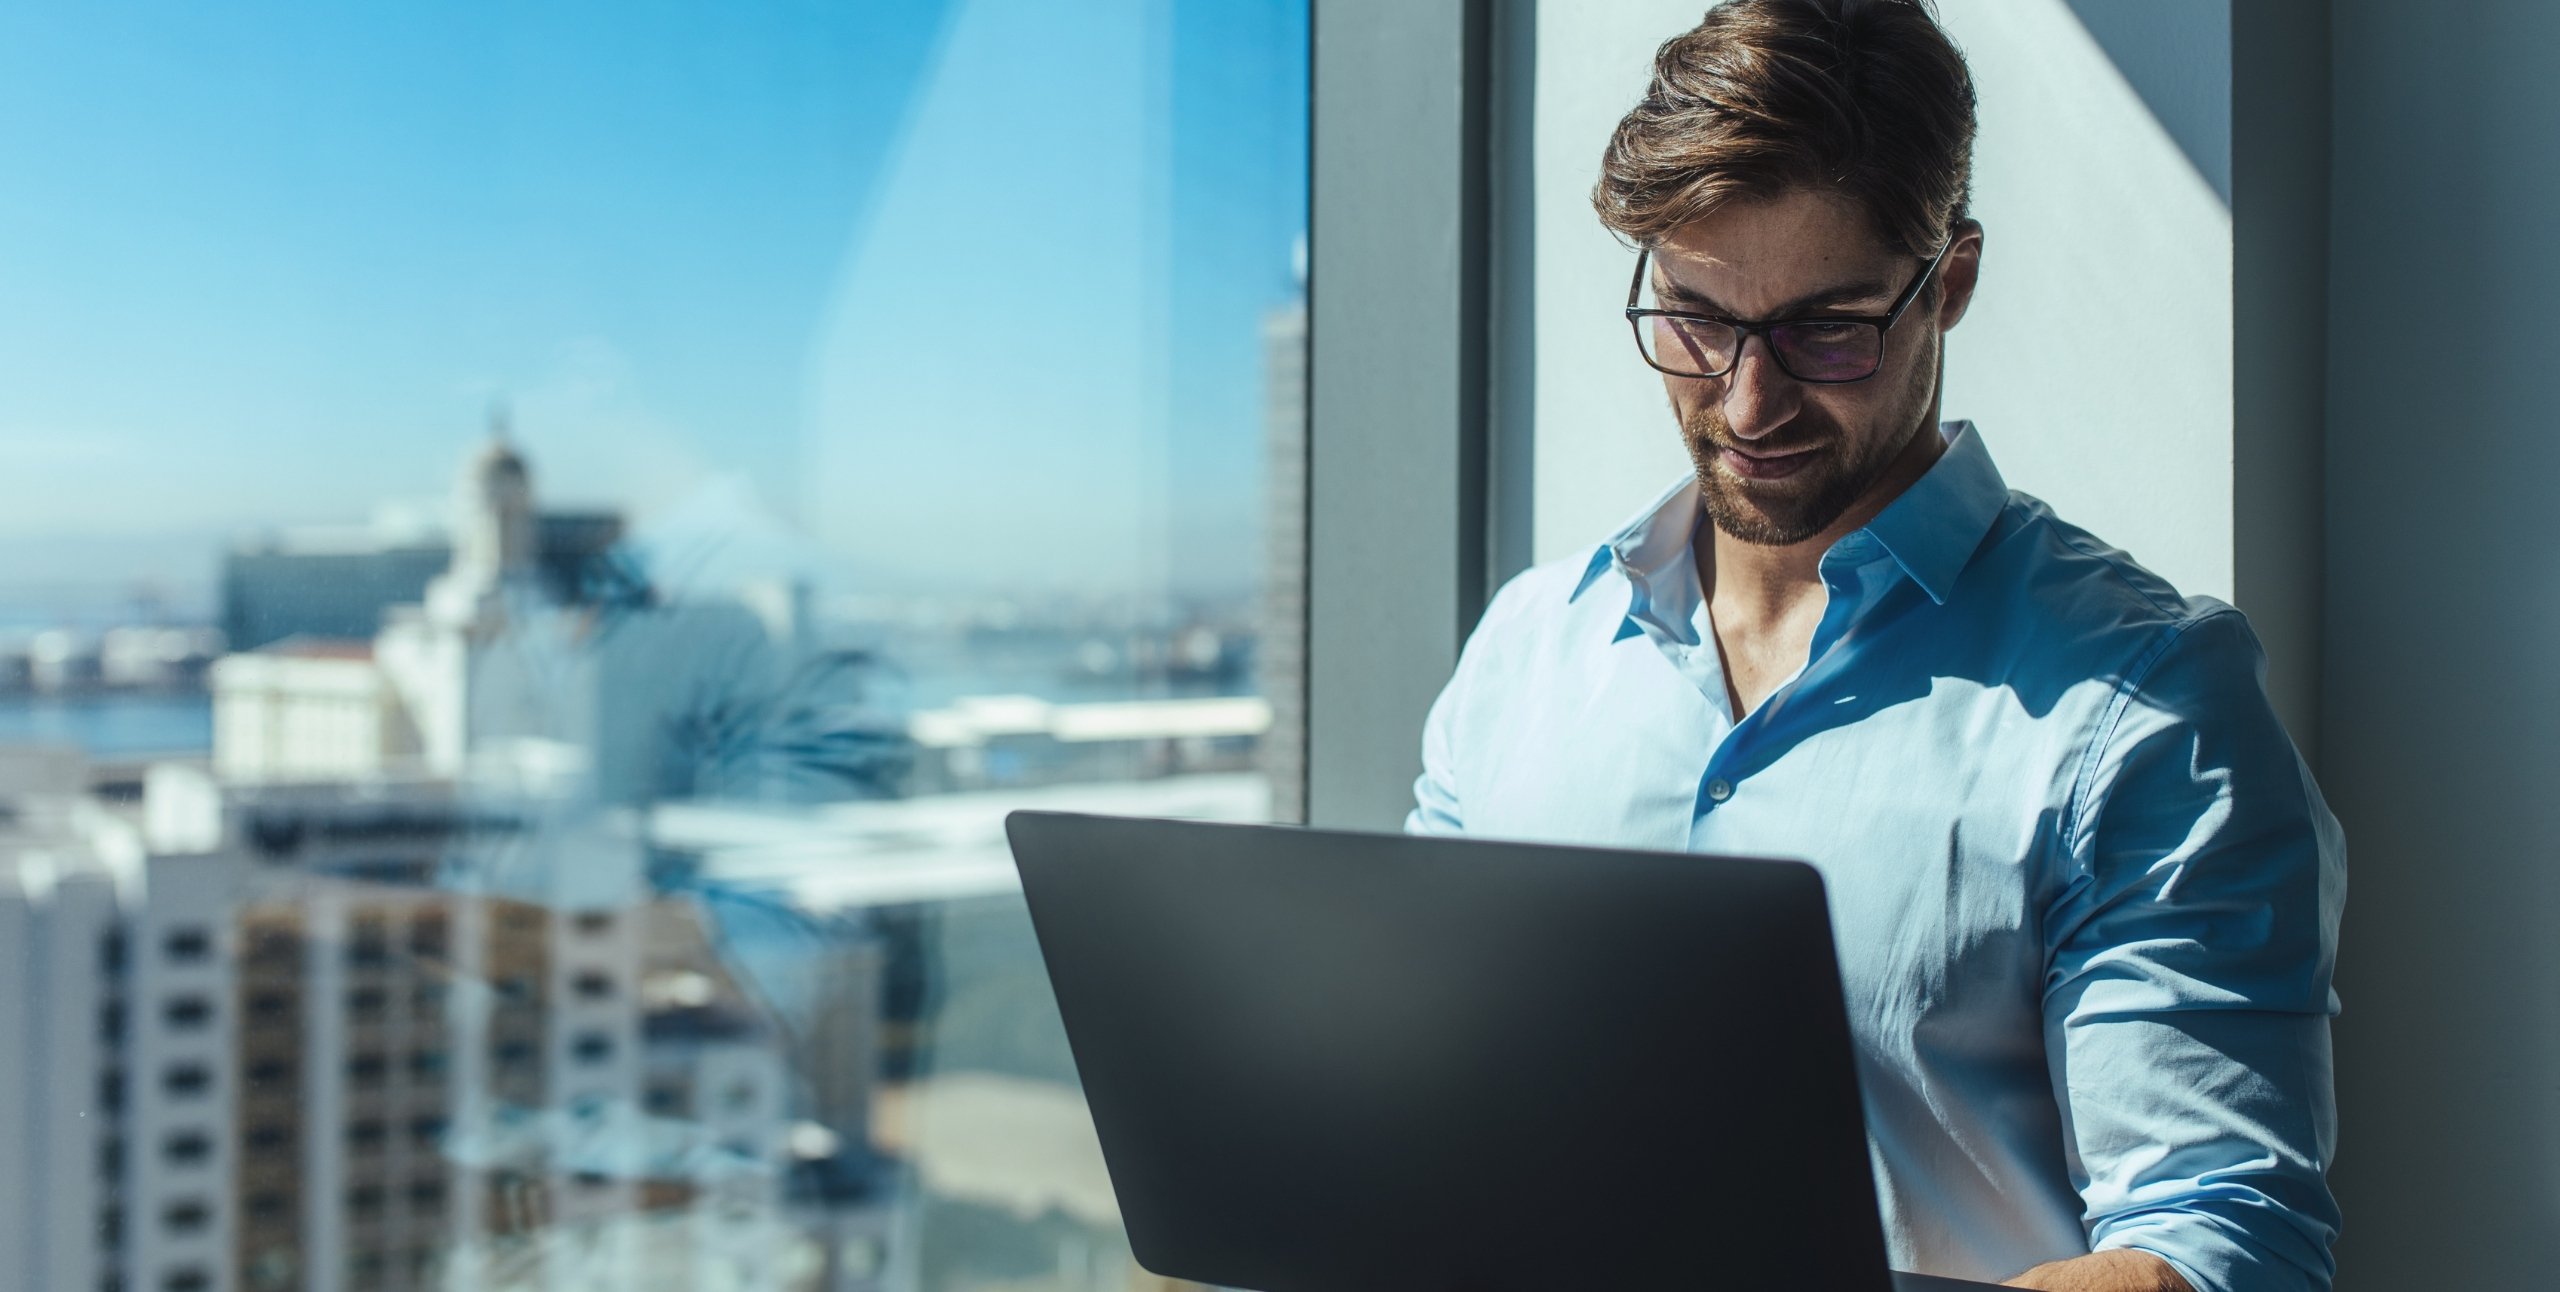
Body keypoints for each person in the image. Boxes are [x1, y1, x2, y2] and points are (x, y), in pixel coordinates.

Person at [1405, 3, 2343, 1289]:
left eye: (1824, 330)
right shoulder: (1525, 653)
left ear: (1947, 280)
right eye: (1695, 321)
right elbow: (1423, 1102)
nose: (1747, 401)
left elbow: (2221, 1237)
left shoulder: (2144, 707)